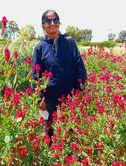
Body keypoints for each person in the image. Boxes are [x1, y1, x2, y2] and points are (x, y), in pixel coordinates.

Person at [32, 9, 87, 139]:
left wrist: (80, 91)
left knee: (70, 131)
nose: (52, 23)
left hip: (70, 97)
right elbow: (36, 76)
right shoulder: (40, 48)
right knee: (51, 133)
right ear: (43, 25)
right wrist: (40, 99)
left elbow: (80, 66)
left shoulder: (69, 43)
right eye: (48, 21)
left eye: (55, 20)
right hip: (50, 100)